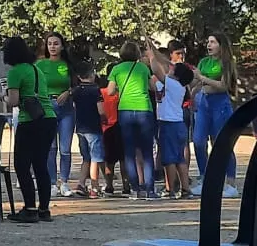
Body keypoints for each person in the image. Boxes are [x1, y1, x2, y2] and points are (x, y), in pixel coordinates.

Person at [2, 36, 56, 223]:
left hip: (29, 120)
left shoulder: (15, 72)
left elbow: (14, 100)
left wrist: (4, 97)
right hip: (48, 117)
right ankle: (44, 209)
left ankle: (29, 208)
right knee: (41, 164)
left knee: (22, 165)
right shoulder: (37, 69)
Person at [106, 41, 157, 200]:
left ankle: (134, 189)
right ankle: (150, 189)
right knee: (147, 151)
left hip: (125, 110)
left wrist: (121, 89)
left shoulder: (116, 69)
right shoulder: (143, 68)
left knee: (129, 152)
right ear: (136, 54)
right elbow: (152, 87)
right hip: (144, 109)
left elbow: (110, 90)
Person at [192, 32, 238, 196]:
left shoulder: (227, 63)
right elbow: (195, 81)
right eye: (208, 42)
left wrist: (202, 78)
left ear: (221, 45)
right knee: (198, 141)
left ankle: (231, 184)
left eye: (213, 42)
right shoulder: (204, 62)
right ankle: (205, 179)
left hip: (220, 104)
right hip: (204, 103)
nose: (209, 45)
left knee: (221, 143)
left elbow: (223, 85)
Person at [34, 33, 75, 196]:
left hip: (66, 108)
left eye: (56, 43)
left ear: (62, 46)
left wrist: (68, 92)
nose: (52, 46)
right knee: (51, 148)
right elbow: (33, 84)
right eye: (49, 43)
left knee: (65, 148)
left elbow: (78, 85)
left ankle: (64, 182)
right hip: (47, 107)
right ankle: (51, 182)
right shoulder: (40, 65)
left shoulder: (68, 65)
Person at [152, 47, 189, 198]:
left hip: (169, 124)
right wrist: (154, 50)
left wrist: (151, 56)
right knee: (179, 158)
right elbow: (154, 83)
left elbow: (156, 69)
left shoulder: (174, 85)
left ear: (176, 74)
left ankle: (170, 190)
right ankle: (185, 189)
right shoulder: (173, 85)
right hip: (177, 124)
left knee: (169, 159)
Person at [69, 62, 106, 197]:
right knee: (95, 158)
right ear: (93, 74)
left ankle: (81, 184)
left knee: (86, 158)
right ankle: (94, 187)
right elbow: (100, 110)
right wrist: (104, 118)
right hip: (94, 127)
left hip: (80, 127)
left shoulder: (76, 90)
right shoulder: (96, 90)